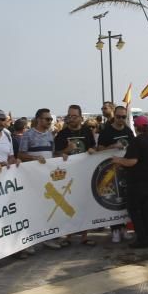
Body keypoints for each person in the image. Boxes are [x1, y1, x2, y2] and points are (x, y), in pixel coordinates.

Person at [110, 115, 148, 249]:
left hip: (138, 182)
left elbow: (132, 161)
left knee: (135, 211)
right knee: (146, 210)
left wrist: (117, 160)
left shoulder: (137, 141)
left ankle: (141, 238)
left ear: (137, 127)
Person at [19, 109, 68, 249]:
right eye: (47, 119)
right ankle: (31, 240)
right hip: (32, 179)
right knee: (33, 209)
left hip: (48, 179)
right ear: (38, 119)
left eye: (50, 120)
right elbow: (21, 154)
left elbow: (52, 155)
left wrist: (63, 154)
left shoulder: (50, 135)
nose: (49, 122)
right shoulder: (28, 134)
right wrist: (34, 158)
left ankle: (48, 237)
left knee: (48, 208)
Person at [54, 105, 98, 246]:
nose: (71, 119)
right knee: (68, 205)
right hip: (68, 176)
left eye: (74, 116)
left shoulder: (86, 131)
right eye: (69, 116)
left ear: (80, 117)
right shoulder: (62, 134)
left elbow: (93, 146)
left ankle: (85, 236)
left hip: (85, 173)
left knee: (84, 204)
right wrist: (67, 150)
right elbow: (55, 154)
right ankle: (68, 236)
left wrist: (92, 149)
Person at [97, 105, 136, 243]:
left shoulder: (128, 130)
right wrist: (112, 147)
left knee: (125, 199)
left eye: (123, 117)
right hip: (110, 171)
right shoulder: (106, 131)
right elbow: (99, 149)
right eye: (118, 116)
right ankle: (115, 229)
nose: (121, 119)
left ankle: (124, 228)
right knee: (113, 200)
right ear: (114, 116)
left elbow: (134, 147)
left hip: (126, 170)